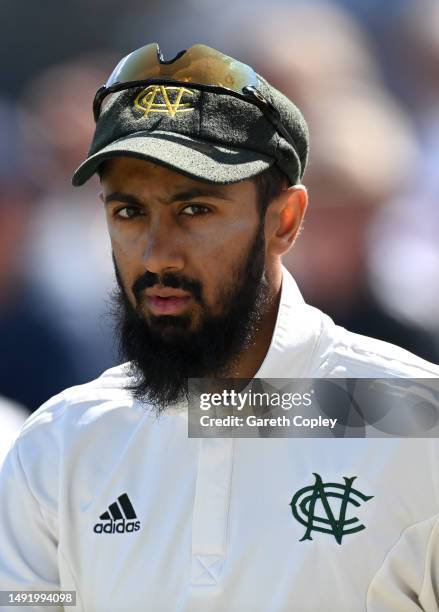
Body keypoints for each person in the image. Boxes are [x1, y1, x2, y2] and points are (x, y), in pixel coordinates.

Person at [0, 43, 438, 612]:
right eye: (128, 212)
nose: (158, 255)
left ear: (285, 220)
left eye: (195, 210)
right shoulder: (61, 444)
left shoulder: (416, 423)